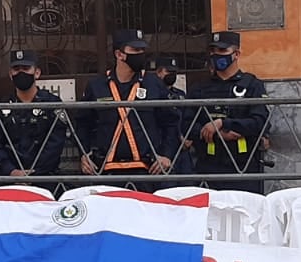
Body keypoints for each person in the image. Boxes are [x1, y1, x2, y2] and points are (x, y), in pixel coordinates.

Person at [78, 28, 179, 187]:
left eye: (142, 50)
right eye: (135, 50)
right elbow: (82, 124)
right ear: (119, 54)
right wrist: (84, 154)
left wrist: (166, 156)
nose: (140, 54)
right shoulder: (97, 86)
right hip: (106, 171)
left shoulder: (154, 84)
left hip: (147, 173)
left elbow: (171, 123)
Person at [185, 31, 270, 195]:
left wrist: (224, 124)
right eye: (213, 51)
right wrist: (214, 134)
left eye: (222, 51)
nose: (216, 55)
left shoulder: (252, 85)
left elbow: (260, 121)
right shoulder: (199, 88)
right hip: (208, 166)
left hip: (243, 166)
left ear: (236, 54)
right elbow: (187, 125)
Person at [0, 48, 71, 194]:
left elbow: (56, 143)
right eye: (16, 69)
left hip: (45, 180)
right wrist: (11, 171)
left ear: (37, 72)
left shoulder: (51, 103)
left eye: (26, 68)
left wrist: (34, 174)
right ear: (10, 75)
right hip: (10, 181)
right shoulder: (2, 106)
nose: (21, 73)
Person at [150, 54, 196, 177]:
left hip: (182, 147)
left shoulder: (180, 94)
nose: (172, 75)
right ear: (159, 72)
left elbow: (186, 116)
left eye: (175, 72)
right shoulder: (153, 94)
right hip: (162, 147)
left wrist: (187, 136)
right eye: (169, 71)